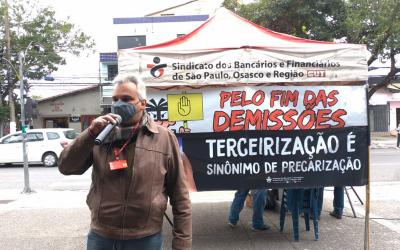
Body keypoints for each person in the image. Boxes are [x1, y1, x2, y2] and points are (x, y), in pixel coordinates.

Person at [58, 74, 192, 250]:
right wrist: (90, 134)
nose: (119, 104)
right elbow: (66, 167)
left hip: (145, 238)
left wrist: (182, 243)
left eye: (126, 99)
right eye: (115, 99)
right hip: (101, 237)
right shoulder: (100, 134)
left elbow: (180, 196)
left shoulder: (164, 138)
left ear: (143, 103)